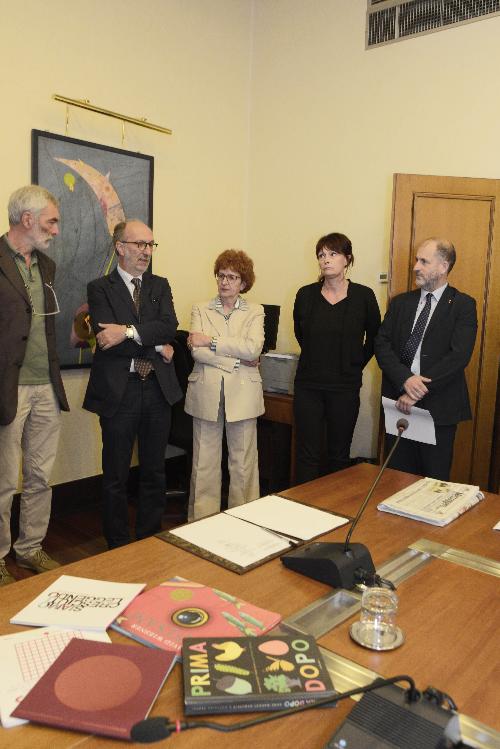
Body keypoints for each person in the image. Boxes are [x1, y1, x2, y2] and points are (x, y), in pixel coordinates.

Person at [83, 220, 182, 548]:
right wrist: (153, 342)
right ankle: (117, 545)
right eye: (139, 244)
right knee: (115, 476)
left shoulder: (160, 285)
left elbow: (170, 327)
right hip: (119, 390)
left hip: (156, 389)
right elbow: (105, 338)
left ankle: (149, 540)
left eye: (151, 245)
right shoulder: (99, 288)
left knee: (154, 471)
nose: (146, 251)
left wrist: (127, 331)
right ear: (120, 247)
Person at [0, 185, 69, 585]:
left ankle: (30, 549)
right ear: (27, 219)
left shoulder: (47, 266)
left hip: (46, 384)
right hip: (10, 387)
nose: (56, 230)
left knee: (41, 475)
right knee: (5, 479)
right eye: (51, 221)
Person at [374, 237, 477, 480]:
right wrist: (405, 379)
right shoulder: (401, 303)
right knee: (396, 481)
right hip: (399, 406)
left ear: (443, 266)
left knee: (433, 482)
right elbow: (382, 344)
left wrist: (417, 389)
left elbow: (459, 356)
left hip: (438, 408)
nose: (415, 267)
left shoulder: (463, 305)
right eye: (416, 260)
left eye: (424, 261)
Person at [293, 232, 381, 484]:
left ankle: (333, 513)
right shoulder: (305, 295)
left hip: (344, 386)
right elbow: (302, 334)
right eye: (321, 255)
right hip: (309, 384)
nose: (326, 260)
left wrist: (354, 364)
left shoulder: (364, 296)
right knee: (306, 454)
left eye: (333, 254)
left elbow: (375, 338)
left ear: (348, 259)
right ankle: (301, 511)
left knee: (339, 454)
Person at [185, 250, 265, 521]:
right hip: (206, 393)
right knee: (204, 464)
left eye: (232, 277)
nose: (225, 282)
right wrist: (235, 361)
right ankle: (200, 523)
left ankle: (244, 521)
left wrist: (212, 341)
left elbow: (253, 348)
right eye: (221, 276)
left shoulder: (255, 311)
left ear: (243, 283)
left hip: (243, 395)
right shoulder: (200, 308)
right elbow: (196, 351)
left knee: (243, 464)